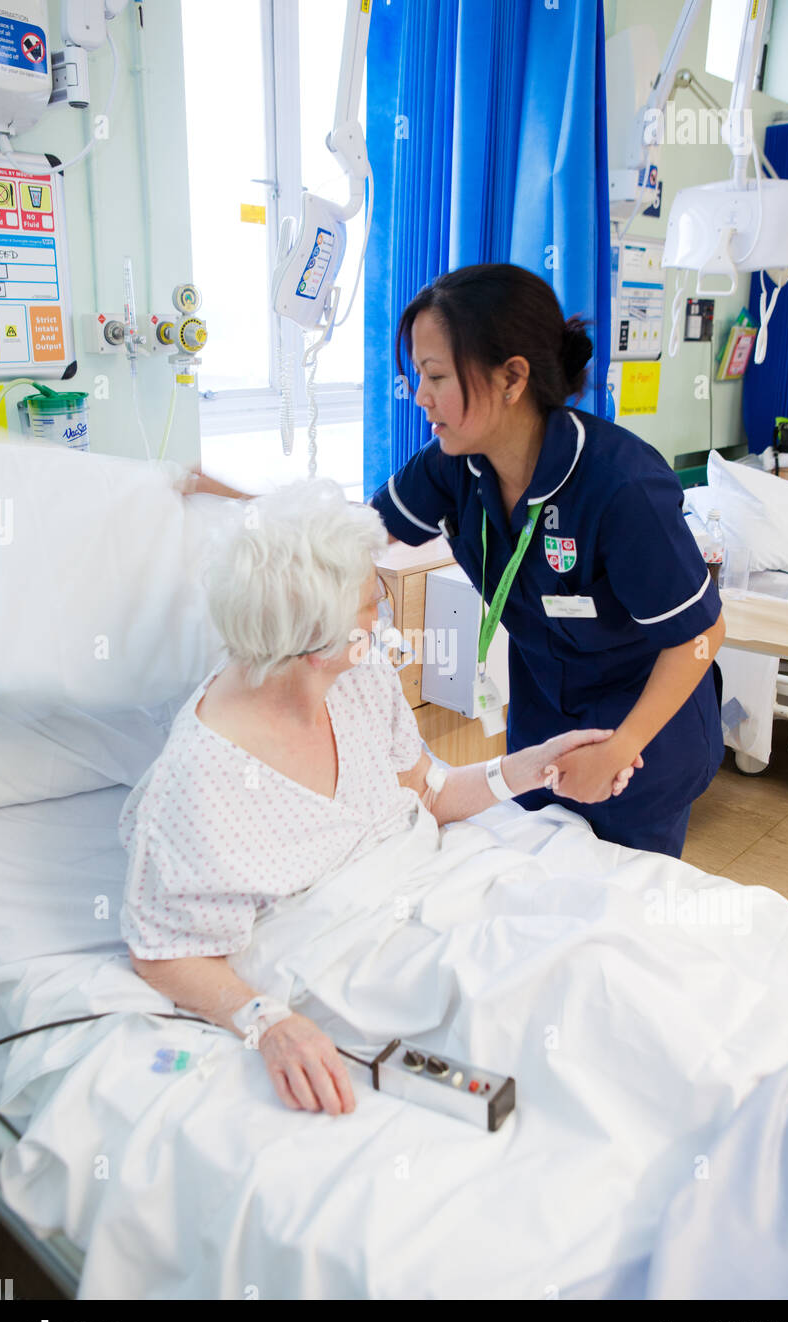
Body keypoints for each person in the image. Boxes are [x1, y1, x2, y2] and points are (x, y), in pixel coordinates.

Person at [120, 479, 641, 1115]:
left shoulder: (357, 676)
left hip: (437, 887)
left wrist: (529, 769)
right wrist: (268, 1024)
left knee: (602, 949)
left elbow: (429, 788)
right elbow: (166, 953)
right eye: (373, 603)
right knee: (554, 1006)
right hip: (352, 950)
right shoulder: (203, 777)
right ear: (315, 637)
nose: (385, 614)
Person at [370, 263, 726, 858]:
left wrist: (619, 747)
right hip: (541, 729)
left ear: (511, 378)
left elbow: (703, 633)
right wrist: (224, 503)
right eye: (417, 376)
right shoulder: (455, 463)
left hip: (639, 740)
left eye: (434, 375)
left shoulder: (620, 486)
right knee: (538, 904)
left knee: (616, 915)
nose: (419, 396)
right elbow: (356, 530)